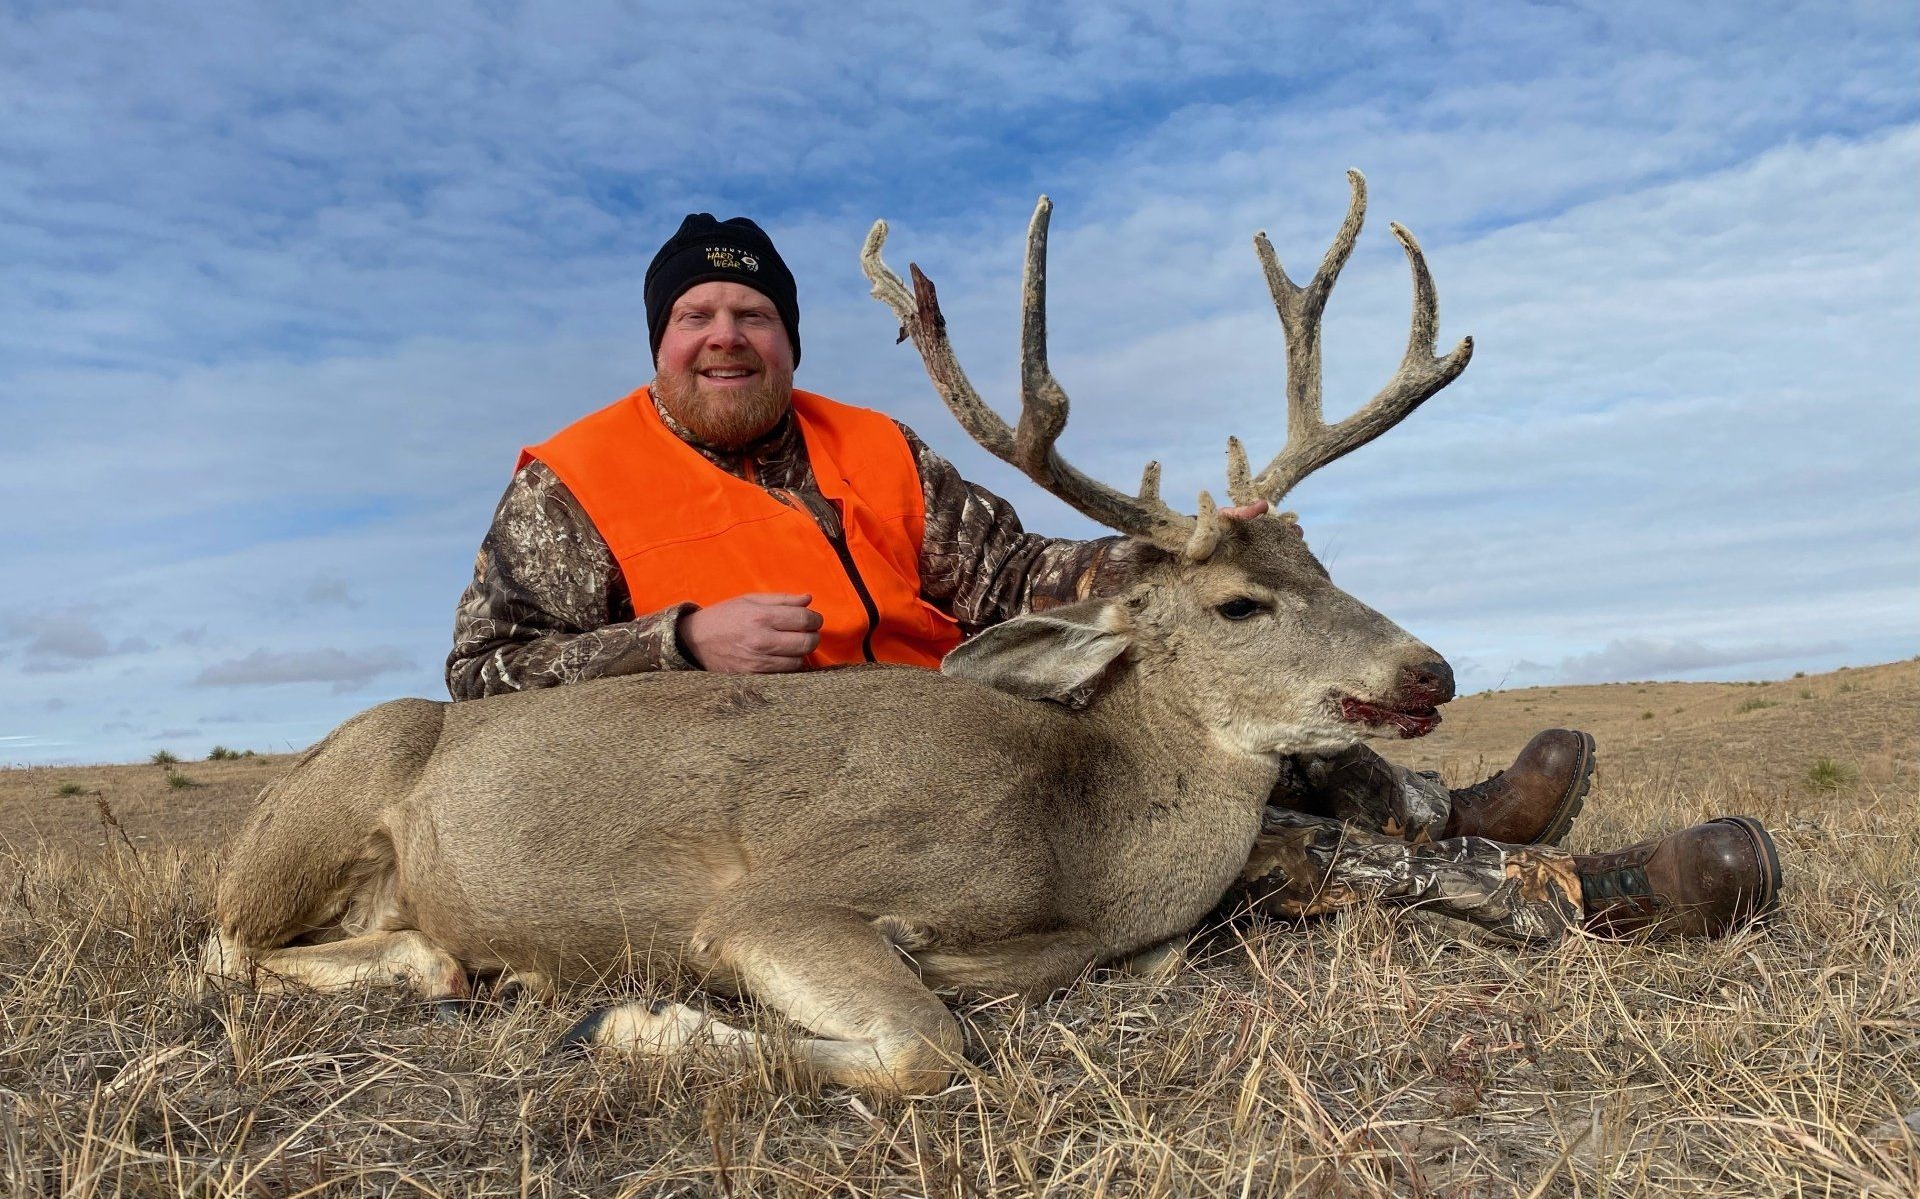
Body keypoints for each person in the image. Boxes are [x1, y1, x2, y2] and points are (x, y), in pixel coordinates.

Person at [446, 213, 1779, 947]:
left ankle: (1440, 806)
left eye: (752, 315)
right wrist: (677, 643)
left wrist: (1191, 564)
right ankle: (1573, 899)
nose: (725, 334)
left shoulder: (878, 455)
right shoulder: (571, 487)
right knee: (1196, 840)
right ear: (660, 345)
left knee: (1208, 686)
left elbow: (1017, 572)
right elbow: (480, 681)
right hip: (781, 794)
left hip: (957, 741)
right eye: (698, 317)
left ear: (787, 340)